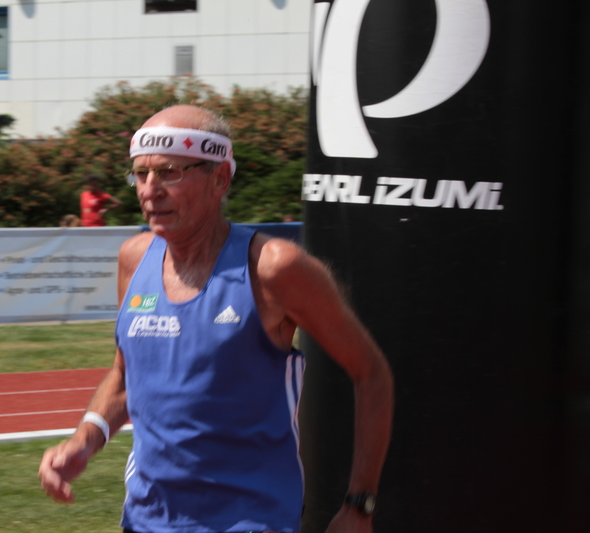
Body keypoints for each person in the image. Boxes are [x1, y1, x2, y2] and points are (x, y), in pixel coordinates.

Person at [39, 105, 394, 533]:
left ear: (220, 178)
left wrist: (359, 505)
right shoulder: (134, 258)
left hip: (250, 521)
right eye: (140, 174)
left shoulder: (274, 267)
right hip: (146, 519)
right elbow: (125, 376)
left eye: (169, 172)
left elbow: (371, 372)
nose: (150, 190)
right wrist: (84, 440)